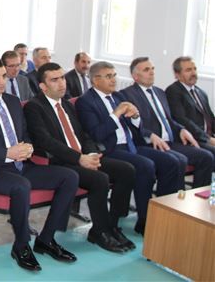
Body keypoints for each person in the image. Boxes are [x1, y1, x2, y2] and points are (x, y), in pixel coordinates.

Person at [0, 57, 79, 271]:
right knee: (21, 186)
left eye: (3, 76)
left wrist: (28, 148)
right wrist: (7, 152)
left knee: (69, 177)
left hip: (21, 165)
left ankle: (46, 239)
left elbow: (25, 134)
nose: (1, 81)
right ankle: (21, 245)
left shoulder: (13, 102)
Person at [24, 63, 135, 253]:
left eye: (62, 78)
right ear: (43, 86)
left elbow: (83, 135)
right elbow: (46, 142)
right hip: (62, 161)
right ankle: (99, 231)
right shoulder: (34, 107)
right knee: (100, 179)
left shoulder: (67, 104)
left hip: (82, 156)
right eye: (54, 80)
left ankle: (112, 225)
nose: (62, 83)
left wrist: (91, 153)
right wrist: (79, 158)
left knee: (126, 170)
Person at [75, 61, 182, 235]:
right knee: (145, 166)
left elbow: (137, 128)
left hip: (132, 145)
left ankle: (163, 213)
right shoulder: (85, 101)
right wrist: (116, 113)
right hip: (110, 149)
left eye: (114, 75)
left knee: (171, 162)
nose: (113, 80)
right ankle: (144, 220)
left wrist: (135, 116)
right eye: (108, 76)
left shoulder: (117, 96)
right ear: (95, 80)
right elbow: (97, 134)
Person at [121, 57, 213, 188]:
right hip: (148, 143)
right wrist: (150, 135)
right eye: (146, 70)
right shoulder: (126, 95)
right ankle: (168, 199)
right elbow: (130, 124)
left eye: (152, 69)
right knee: (177, 161)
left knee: (206, 157)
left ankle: (197, 196)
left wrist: (181, 129)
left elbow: (170, 120)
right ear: (135, 76)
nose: (152, 72)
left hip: (169, 141)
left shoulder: (159, 92)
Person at [166, 56, 215, 156]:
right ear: (177, 75)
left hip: (207, 137)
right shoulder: (173, 91)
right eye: (188, 70)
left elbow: (211, 118)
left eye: (194, 69)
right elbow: (182, 120)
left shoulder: (201, 92)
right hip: (192, 138)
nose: (193, 73)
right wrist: (209, 139)